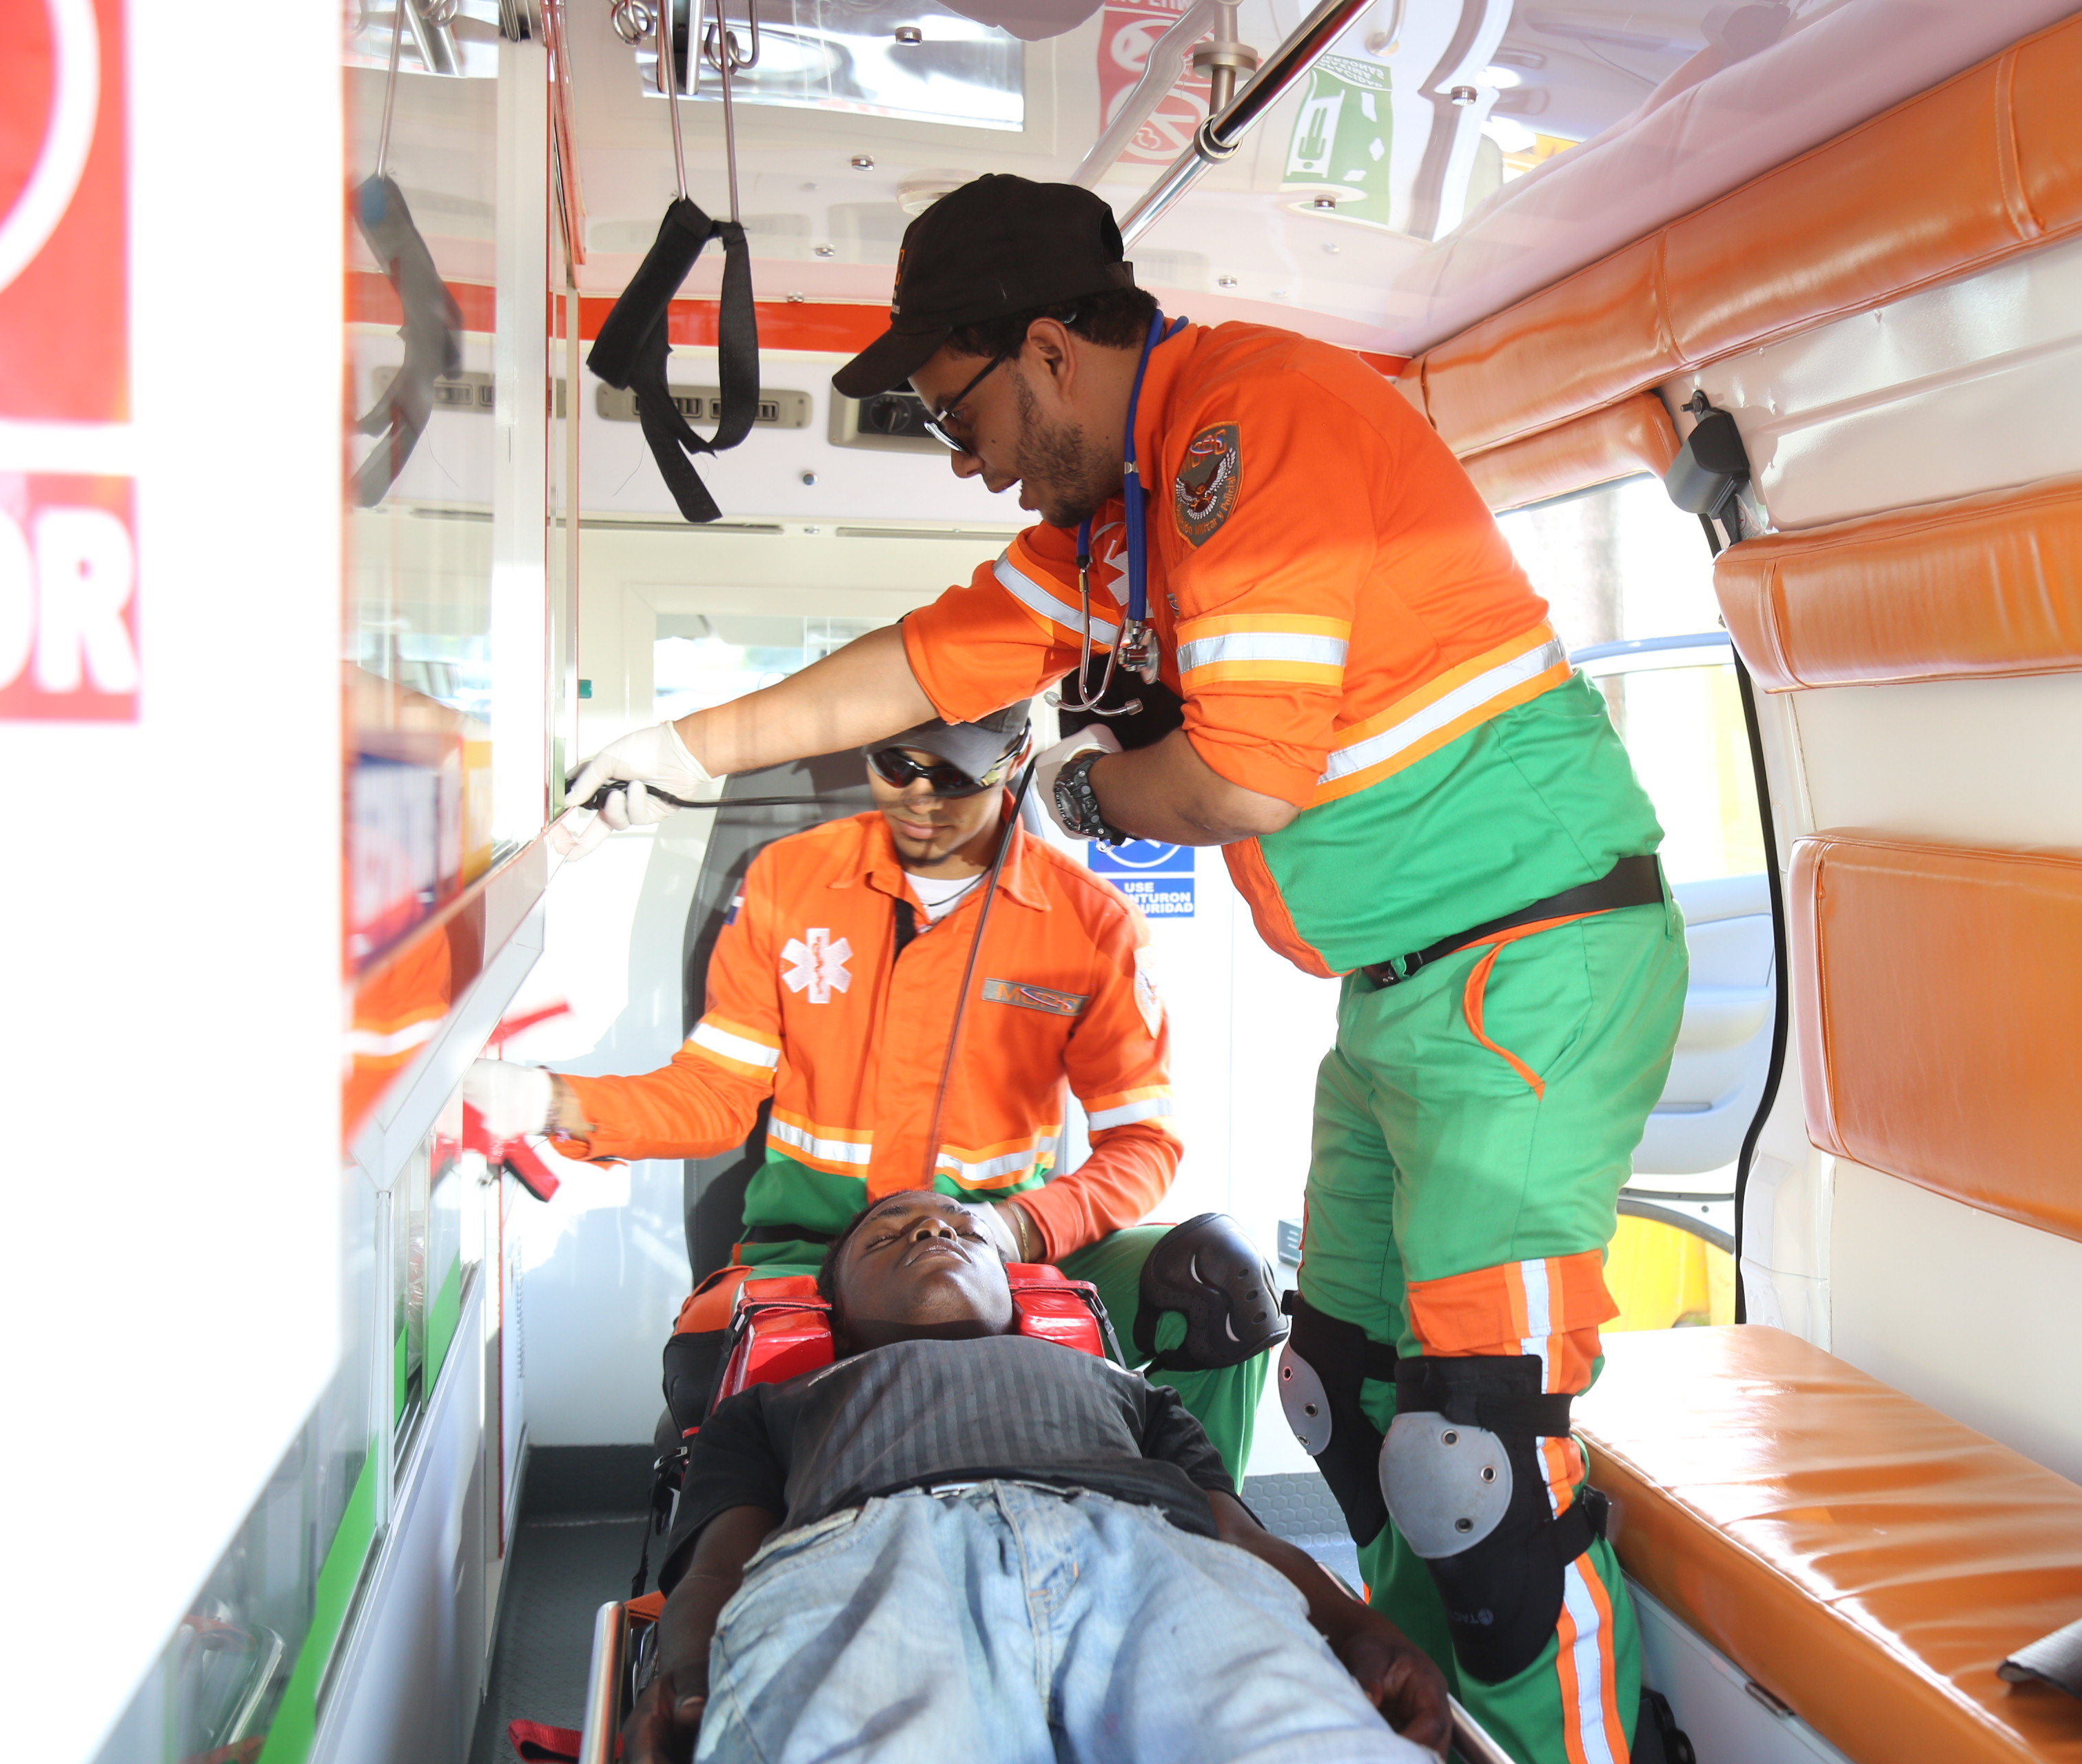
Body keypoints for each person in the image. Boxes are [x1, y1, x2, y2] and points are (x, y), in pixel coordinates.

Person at [562, 174, 1686, 1764]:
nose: (970, 461)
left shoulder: (1254, 423)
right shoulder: (1121, 533)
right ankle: (1429, 1707)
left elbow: (1238, 783)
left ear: (1044, 349)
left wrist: (1076, 787)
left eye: (958, 413)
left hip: (1531, 962)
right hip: (1400, 991)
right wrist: (680, 748)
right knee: (1343, 1395)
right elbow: (918, 658)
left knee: (1475, 1452)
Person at [473, 703, 1276, 1480]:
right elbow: (714, 1094)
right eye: (896, 767)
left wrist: (1019, 1227)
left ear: (1012, 762)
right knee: (714, 1369)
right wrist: (549, 1103)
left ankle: (1196, 1526)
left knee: (1216, 1284)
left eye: (952, 777)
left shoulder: (1092, 921)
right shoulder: (792, 881)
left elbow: (1142, 1145)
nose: (919, 799)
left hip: (995, 1253)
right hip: (810, 1255)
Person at [623, 1189, 1449, 1764]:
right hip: (875, 1563)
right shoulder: (773, 1406)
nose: (932, 1230)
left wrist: (1355, 1624)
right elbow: (718, 1570)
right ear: (835, 1310)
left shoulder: (1131, 1392)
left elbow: (1239, 1536)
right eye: (887, 1237)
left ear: (1011, 1285)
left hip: (1149, 1558)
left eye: (964, 1230)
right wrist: (683, 1676)